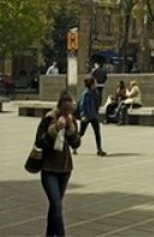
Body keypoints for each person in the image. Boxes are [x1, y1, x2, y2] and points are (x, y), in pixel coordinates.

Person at [36, 93, 82, 237]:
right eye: (65, 110)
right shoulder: (49, 119)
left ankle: (49, 234)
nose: (68, 113)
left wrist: (70, 130)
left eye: (71, 110)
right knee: (56, 204)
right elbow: (39, 142)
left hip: (65, 168)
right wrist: (55, 129)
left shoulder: (71, 120)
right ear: (59, 108)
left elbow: (76, 143)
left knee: (55, 207)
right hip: (49, 168)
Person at [76, 76, 107, 156]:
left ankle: (99, 149)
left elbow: (97, 103)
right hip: (87, 116)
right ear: (92, 84)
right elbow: (82, 106)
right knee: (81, 133)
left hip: (94, 116)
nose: (96, 84)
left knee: (97, 133)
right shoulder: (85, 94)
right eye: (95, 83)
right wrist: (83, 116)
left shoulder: (95, 92)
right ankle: (74, 145)